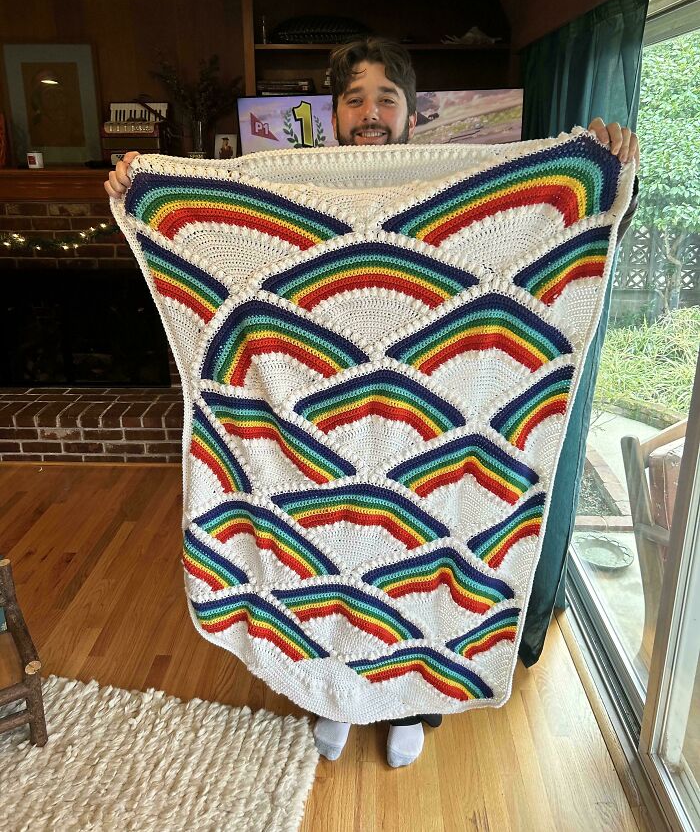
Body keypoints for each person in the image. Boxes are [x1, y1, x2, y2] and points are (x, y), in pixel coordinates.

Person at [103, 37, 639, 769]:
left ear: (412, 115)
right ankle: (331, 700)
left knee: (414, 565)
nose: (370, 113)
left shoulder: (465, 192)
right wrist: (144, 188)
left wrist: (603, 173)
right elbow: (205, 236)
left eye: (386, 98)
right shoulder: (282, 197)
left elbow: (556, 234)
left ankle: (407, 707)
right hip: (314, 436)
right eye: (354, 98)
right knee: (321, 564)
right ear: (332, 116)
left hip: (428, 433)